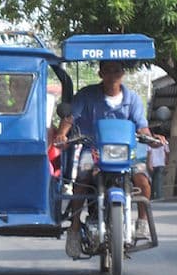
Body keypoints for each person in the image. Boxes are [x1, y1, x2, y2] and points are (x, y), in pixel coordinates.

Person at [55, 60, 165, 258]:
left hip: (125, 153)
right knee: (81, 180)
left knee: (142, 179)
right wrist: (63, 134)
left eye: (117, 70)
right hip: (94, 150)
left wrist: (152, 139)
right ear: (100, 73)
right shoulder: (87, 95)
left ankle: (141, 222)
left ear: (122, 73)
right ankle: (74, 227)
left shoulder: (132, 99)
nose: (112, 75)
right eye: (108, 71)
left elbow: (142, 126)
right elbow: (70, 118)